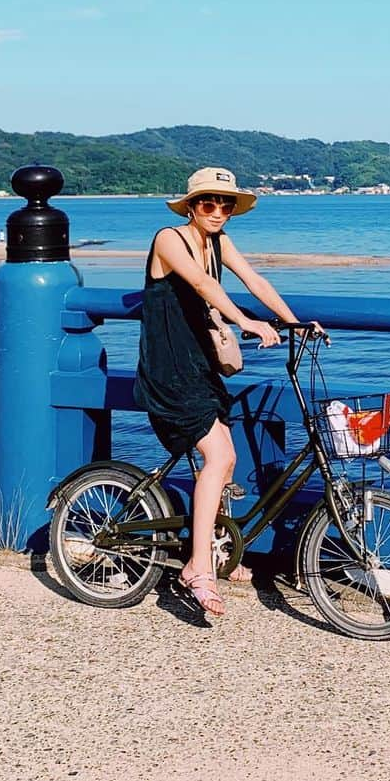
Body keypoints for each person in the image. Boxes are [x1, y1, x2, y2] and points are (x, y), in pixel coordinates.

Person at [133, 167, 323, 619]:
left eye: (226, 205)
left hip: (199, 365)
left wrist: (293, 321)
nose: (218, 212)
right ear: (192, 206)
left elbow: (255, 280)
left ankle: (214, 549)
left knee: (225, 457)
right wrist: (246, 321)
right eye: (208, 203)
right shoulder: (169, 239)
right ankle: (198, 567)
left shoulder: (218, 241)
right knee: (219, 457)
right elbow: (203, 284)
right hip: (169, 368)